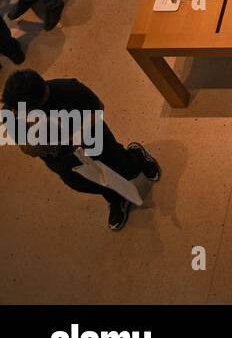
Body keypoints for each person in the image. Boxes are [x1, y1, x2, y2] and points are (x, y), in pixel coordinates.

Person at [2, 69, 160, 231]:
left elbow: (98, 109)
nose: (14, 112)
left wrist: (76, 138)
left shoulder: (68, 89)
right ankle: (116, 199)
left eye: (19, 109)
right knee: (90, 184)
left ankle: (137, 158)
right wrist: (32, 130)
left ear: (41, 98)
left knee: (123, 168)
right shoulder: (11, 111)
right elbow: (28, 150)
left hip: (96, 143)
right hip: (64, 163)